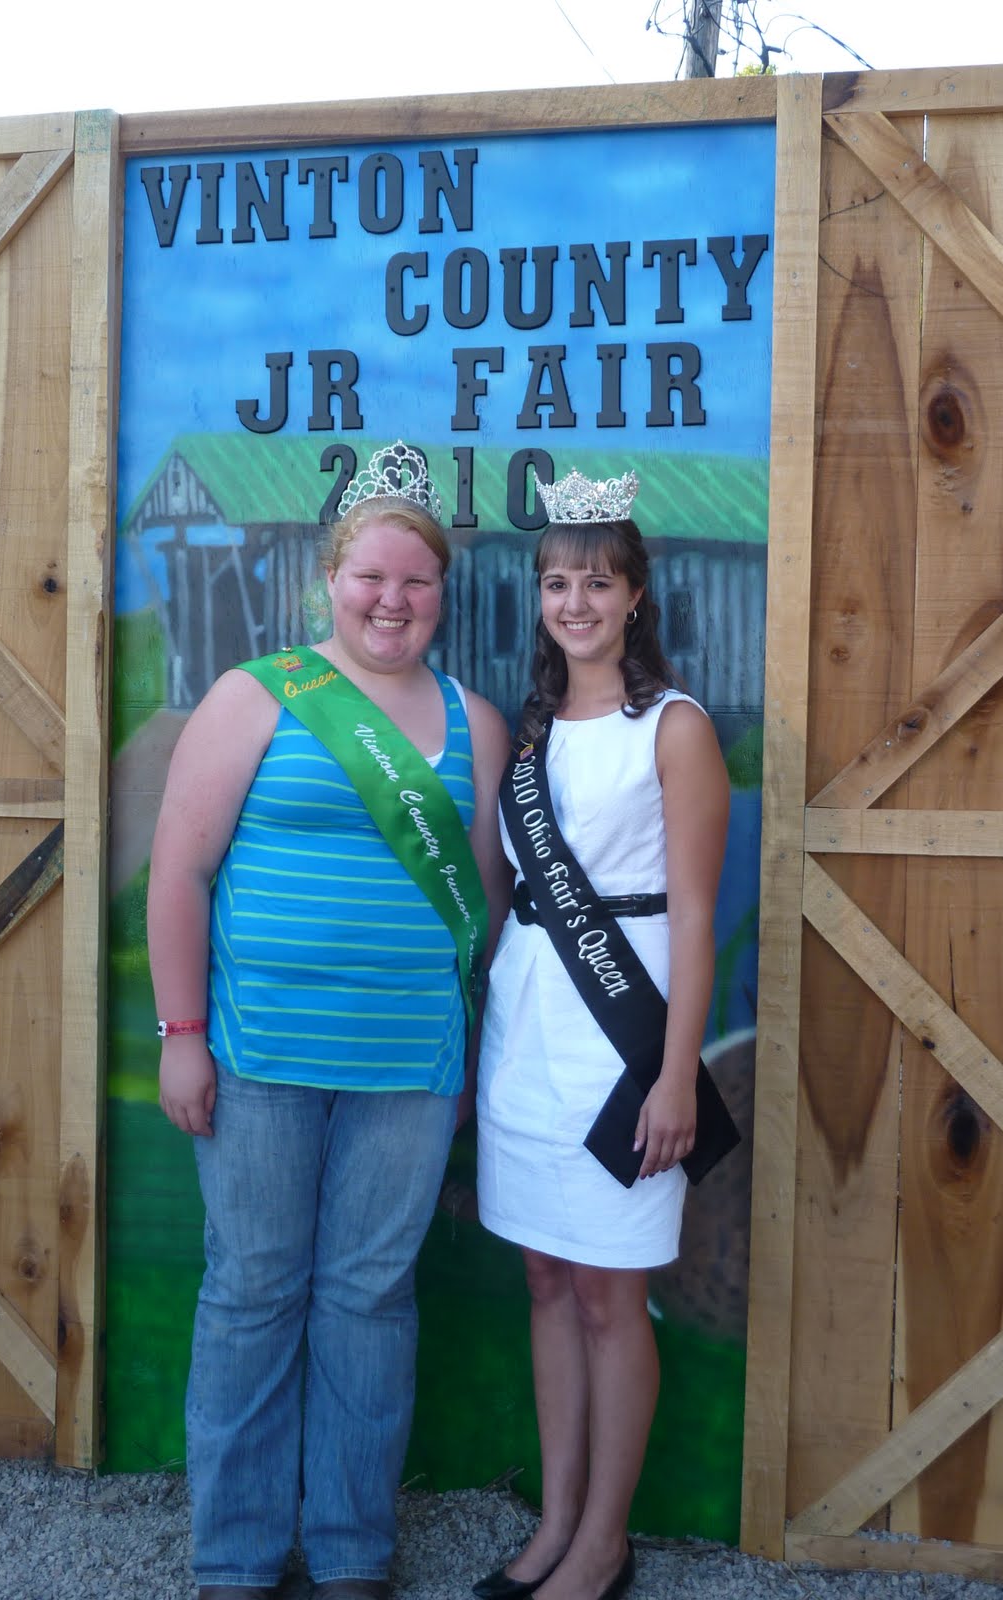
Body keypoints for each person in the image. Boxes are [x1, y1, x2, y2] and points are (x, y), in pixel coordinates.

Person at [146, 441, 510, 1600]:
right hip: (256, 1058)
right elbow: (177, 872)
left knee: (368, 1298)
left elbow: (485, 909)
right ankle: (239, 1557)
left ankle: (351, 1552)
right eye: (371, 578)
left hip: (411, 1068)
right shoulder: (257, 695)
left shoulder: (478, 722)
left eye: (416, 581)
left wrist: (464, 1051)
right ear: (329, 579)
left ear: (442, 593)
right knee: (253, 1292)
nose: (392, 600)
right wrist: (182, 1034)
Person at [472, 468, 731, 1600]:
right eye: (557, 581)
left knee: (608, 1294)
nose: (574, 600)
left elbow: (696, 915)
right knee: (543, 1280)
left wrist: (678, 1077)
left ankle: (604, 1543)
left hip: (624, 1049)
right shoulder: (529, 733)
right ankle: (558, 1519)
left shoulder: (673, 728)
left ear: (635, 596)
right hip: (526, 1029)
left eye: (597, 581)